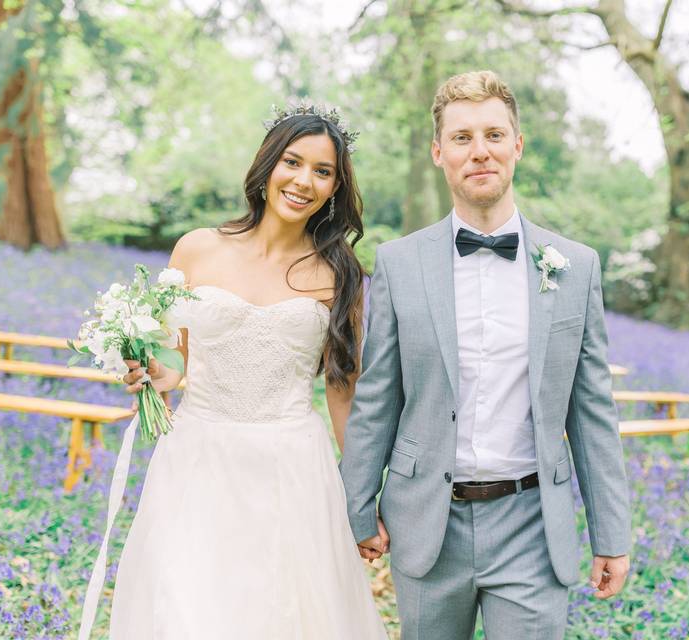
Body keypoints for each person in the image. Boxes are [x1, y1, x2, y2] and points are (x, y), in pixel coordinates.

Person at [340, 70, 633, 640]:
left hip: (531, 523)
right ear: (438, 152)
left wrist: (611, 534)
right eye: (462, 137)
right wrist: (356, 508)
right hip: (427, 521)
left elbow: (593, 409)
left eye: (495, 135)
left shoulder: (574, 266)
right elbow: (378, 397)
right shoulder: (400, 264)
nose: (481, 152)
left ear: (517, 146)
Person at [80, 105, 387, 639]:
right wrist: (155, 373)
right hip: (198, 461)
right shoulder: (198, 248)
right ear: (268, 165)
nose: (303, 181)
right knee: (188, 609)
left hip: (291, 467)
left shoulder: (341, 275)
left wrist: (360, 501)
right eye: (293, 162)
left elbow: (343, 394)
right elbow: (178, 359)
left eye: (323, 171)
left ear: (336, 187)